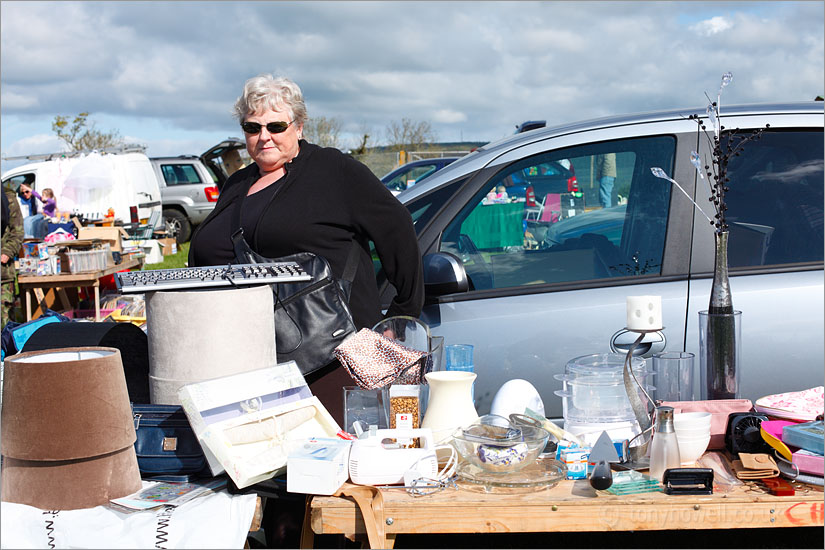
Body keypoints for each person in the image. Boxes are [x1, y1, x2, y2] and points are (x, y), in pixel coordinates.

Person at [189, 74, 425, 425]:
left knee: (343, 458)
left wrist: (401, 316)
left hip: (338, 353)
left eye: (276, 125)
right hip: (255, 354)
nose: (263, 136)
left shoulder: (334, 170)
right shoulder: (239, 182)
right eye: (252, 127)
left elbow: (397, 228)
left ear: (298, 127)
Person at [2, 185, 25, 329]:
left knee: (3, 323)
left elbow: (17, 232)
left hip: (2, 274)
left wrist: (6, 253)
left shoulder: (7, 198)